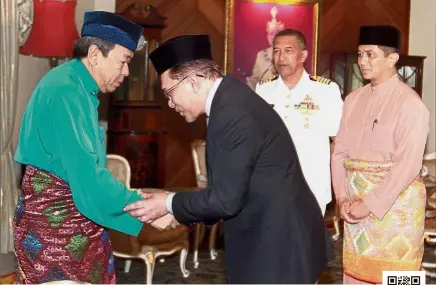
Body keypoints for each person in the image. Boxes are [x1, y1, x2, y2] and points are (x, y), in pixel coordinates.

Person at [123, 34, 334, 284]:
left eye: (170, 93)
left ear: (192, 81)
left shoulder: (232, 113)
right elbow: (229, 192)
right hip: (271, 236)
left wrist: (169, 203)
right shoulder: (229, 99)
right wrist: (176, 211)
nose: (170, 104)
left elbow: (226, 200)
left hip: (278, 246)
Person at [13, 11, 148, 284]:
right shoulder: (66, 93)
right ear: (96, 55)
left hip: (68, 225)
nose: (126, 72)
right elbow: (88, 179)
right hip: (57, 233)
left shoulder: (72, 84)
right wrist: (142, 207)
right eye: (124, 61)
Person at [331, 25, 430, 284]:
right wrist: (342, 198)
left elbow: (408, 167)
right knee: (355, 274)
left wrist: (369, 204)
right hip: (354, 207)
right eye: (360, 54)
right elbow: (339, 152)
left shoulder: (411, 105)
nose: (362, 61)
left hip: (396, 209)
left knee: (397, 278)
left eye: (370, 54)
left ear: (392, 58)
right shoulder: (352, 100)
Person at [255, 28, 343, 216]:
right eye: (277, 51)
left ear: (303, 55)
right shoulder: (263, 89)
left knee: (306, 244)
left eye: (288, 50)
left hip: (310, 186)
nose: (281, 57)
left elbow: (339, 143)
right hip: (271, 186)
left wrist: (341, 188)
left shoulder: (325, 91)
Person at [245, 6, 283, 90]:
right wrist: (249, 82)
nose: (273, 37)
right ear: (267, 36)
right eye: (271, 34)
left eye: (276, 33)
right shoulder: (261, 55)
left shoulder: (289, 54)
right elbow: (256, 78)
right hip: (264, 96)